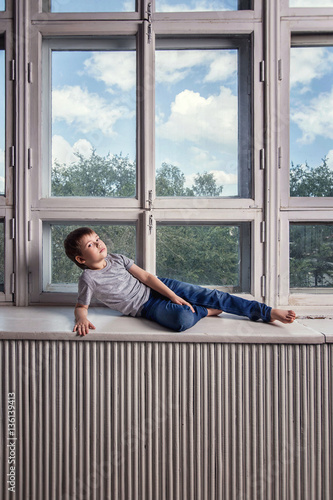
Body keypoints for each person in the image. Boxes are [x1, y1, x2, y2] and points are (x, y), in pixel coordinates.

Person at [64, 227, 296, 337]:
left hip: (160, 287)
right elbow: (81, 307)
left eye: (97, 238)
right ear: (81, 258)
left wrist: (173, 295)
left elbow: (146, 277)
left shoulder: (117, 259)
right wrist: (82, 319)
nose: (99, 243)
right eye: (91, 245)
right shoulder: (88, 278)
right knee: (181, 320)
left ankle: (266, 312)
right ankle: (205, 312)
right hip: (146, 307)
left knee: (210, 294)